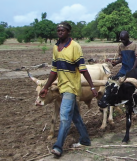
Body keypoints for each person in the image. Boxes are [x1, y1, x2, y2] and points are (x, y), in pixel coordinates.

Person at [39, 21, 98, 157]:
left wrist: (92, 86)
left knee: (65, 117)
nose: (60, 32)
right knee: (75, 116)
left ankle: (58, 147)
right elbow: (54, 71)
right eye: (58, 30)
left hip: (71, 87)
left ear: (68, 32)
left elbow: (83, 69)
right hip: (62, 87)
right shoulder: (55, 47)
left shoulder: (75, 47)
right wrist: (46, 88)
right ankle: (85, 139)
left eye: (63, 30)